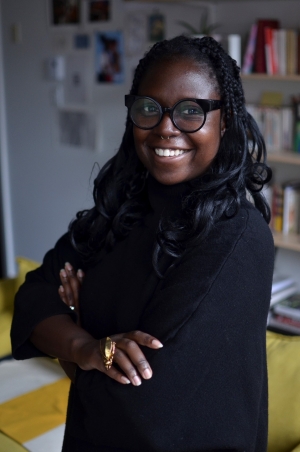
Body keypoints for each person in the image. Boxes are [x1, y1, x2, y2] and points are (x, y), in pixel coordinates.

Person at [11, 35, 274, 452]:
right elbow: (33, 298)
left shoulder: (236, 236)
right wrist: (84, 347)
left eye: (192, 111)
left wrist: (73, 335)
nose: (165, 128)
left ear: (225, 122)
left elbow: (146, 398)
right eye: (149, 108)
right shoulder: (120, 211)